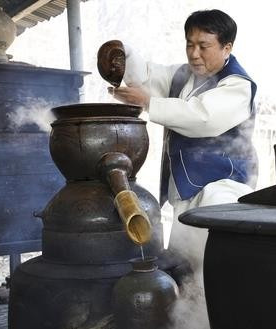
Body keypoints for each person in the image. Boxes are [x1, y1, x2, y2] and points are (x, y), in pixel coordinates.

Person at [110, 9, 258, 267]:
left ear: (226, 48)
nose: (194, 53)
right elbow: (146, 76)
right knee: (184, 268)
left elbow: (203, 117)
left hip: (221, 191)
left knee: (212, 268)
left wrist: (148, 102)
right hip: (185, 191)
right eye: (190, 44)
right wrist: (123, 52)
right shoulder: (183, 76)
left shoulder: (237, 85)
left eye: (204, 46)